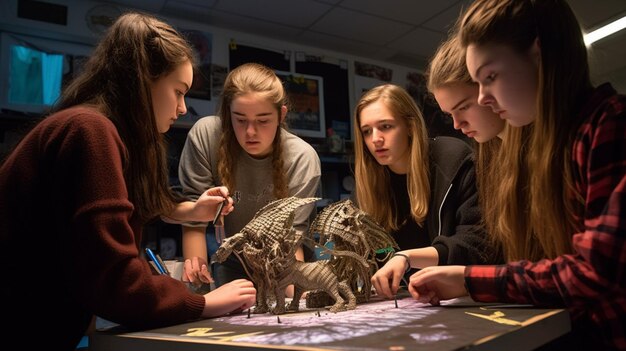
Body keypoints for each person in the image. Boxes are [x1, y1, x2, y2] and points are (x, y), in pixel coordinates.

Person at [0, 13, 257, 351]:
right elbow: (114, 282)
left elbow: (113, 208)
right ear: (142, 82)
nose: (182, 108)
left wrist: (188, 210)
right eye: (178, 92)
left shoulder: (89, 125)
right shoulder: (90, 131)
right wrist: (205, 303)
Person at [407, 0, 626, 349]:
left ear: (541, 53)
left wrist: (470, 280)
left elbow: (595, 273)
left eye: (490, 77)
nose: (485, 99)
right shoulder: (565, 140)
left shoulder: (610, 126)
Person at [178, 62, 321, 289]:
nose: (250, 132)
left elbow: (291, 243)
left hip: (286, 264)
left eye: (263, 120)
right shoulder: (206, 135)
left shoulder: (302, 157)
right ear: (228, 113)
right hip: (233, 264)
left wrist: (294, 301)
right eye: (240, 119)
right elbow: (194, 218)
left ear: (281, 115)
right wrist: (201, 292)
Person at [358, 84, 498, 299]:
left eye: (385, 126)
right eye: (367, 131)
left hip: (464, 295)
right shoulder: (369, 185)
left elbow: (476, 245)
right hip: (405, 300)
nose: (375, 138)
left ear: (410, 126)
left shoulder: (453, 160)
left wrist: (406, 257)